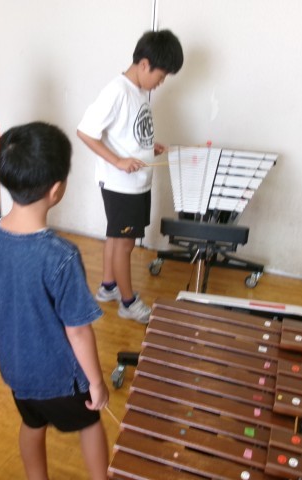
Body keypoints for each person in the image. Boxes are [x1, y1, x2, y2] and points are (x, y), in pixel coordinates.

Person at [0, 122, 109, 480]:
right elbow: (78, 331)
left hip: (15, 368)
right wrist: (96, 382)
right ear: (56, 190)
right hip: (58, 375)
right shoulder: (61, 255)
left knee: (32, 423)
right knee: (90, 422)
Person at [77, 29, 183, 324]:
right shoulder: (117, 91)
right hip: (121, 186)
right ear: (145, 64)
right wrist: (118, 161)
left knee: (116, 237)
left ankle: (108, 286)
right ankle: (128, 302)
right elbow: (85, 132)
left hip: (134, 185)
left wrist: (149, 146)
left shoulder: (137, 93)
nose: (161, 82)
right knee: (125, 244)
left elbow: (128, 132)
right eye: (161, 76)